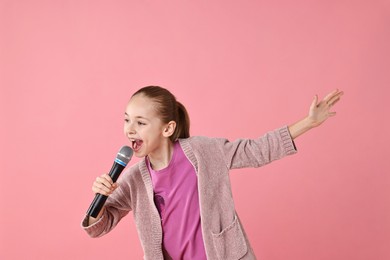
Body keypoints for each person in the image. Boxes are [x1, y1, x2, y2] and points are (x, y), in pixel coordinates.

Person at [81, 86, 343, 260]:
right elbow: (98, 227)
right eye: (127, 120)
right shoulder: (134, 179)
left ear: (168, 128)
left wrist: (308, 122)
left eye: (140, 123)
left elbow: (256, 150)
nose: (130, 129)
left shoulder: (202, 151)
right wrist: (100, 202)